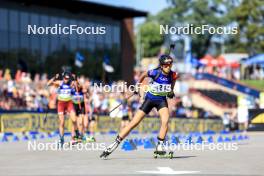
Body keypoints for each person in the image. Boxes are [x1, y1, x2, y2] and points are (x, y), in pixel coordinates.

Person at [100, 54, 179, 158]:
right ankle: (114, 144)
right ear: (161, 66)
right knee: (134, 122)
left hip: (161, 101)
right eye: (166, 65)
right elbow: (142, 75)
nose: (168, 67)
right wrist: (137, 87)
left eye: (170, 64)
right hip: (150, 99)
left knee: (165, 121)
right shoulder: (154, 72)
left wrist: (171, 91)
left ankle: (160, 146)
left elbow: (172, 84)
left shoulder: (173, 75)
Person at [47, 71, 78, 146]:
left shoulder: (72, 83)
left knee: (74, 120)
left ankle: (74, 138)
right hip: (61, 104)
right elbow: (48, 84)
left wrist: (75, 78)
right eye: (65, 78)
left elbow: (79, 86)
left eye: (67, 78)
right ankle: (61, 139)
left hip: (69, 103)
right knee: (62, 122)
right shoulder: (60, 82)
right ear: (63, 77)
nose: (66, 80)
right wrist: (55, 77)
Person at [71, 76, 88, 142]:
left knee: (80, 123)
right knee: (74, 122)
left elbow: (83, 87)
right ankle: (73, 138)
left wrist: (77, 81)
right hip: (74, 106)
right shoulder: (72, 88)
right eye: (74, 81)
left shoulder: (81, 88)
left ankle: (80, 137)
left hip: (81, 106)